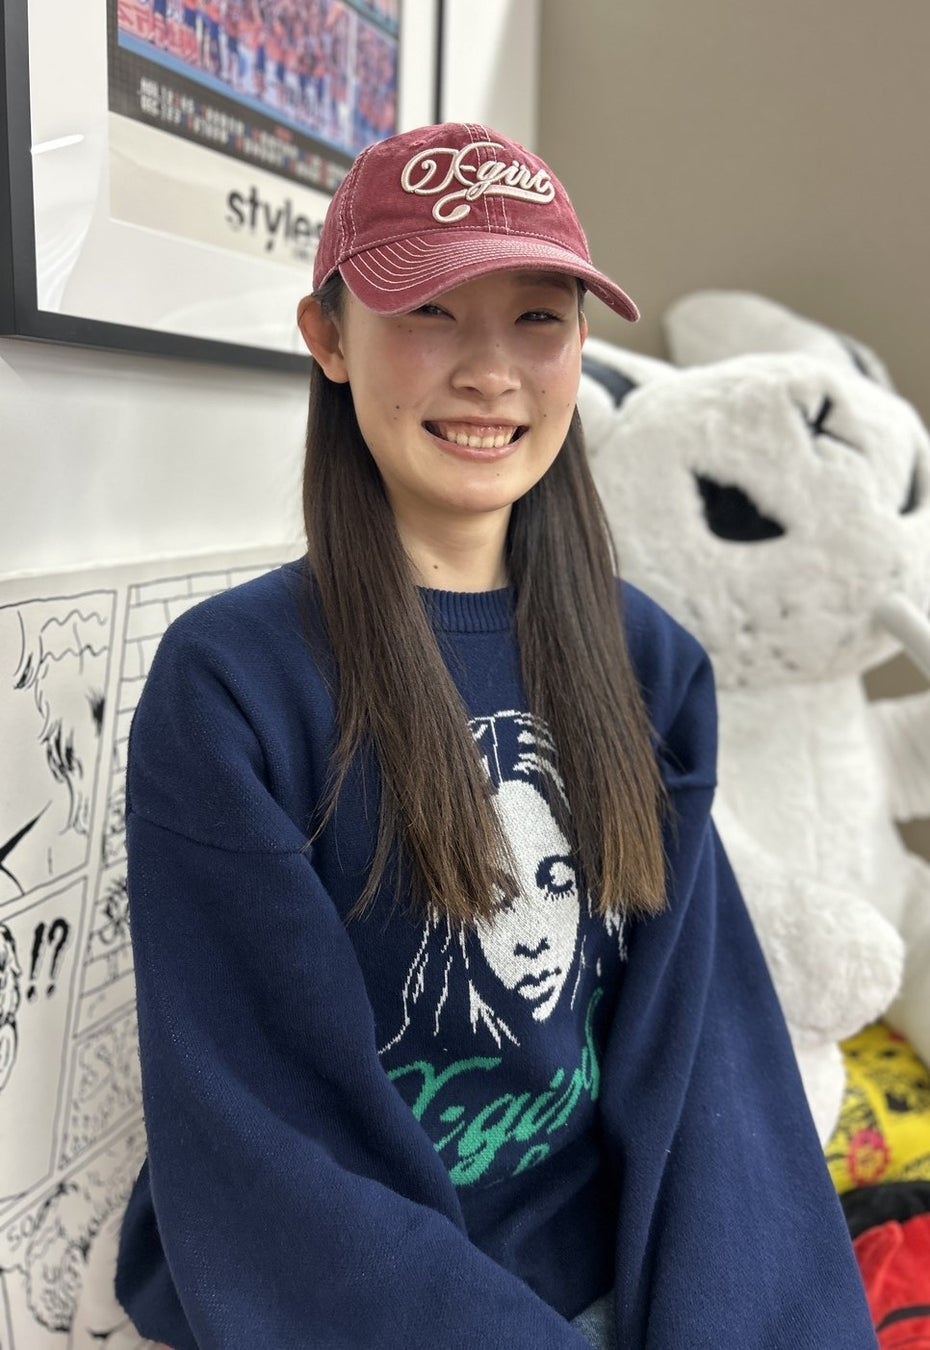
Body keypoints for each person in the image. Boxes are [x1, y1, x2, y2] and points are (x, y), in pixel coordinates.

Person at [114, 122, 878, 1348]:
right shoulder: (233, 688)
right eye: (431, 312)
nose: (491, 372)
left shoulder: (650, 664)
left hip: (602, 1270)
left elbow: (707, 1072)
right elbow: (265, 1144)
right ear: (329, 338)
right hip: (344, 1300)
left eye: (539, 319)